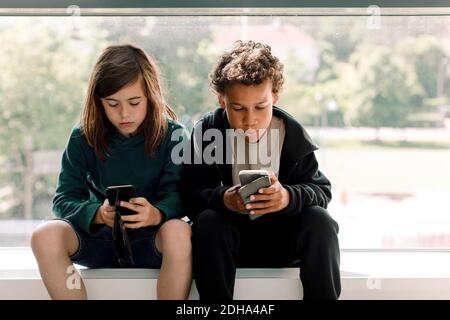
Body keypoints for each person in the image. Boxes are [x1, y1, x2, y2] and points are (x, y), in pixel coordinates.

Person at [180, 40, 341, 300]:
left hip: (282, 243)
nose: (250, 119)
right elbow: (189, 194)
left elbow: (321, 191)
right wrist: (224, 199)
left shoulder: (291, 133)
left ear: (274, 97)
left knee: (321, 221)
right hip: (228, 243)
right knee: (209, 222)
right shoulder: (208, 132)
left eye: (260, 107)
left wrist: (287, 197)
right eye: (238, 108)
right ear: (222, 101)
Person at [31, 44, 192, 300]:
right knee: (44, 236)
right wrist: (97, 214)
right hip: (101, 242)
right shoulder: (82, 137)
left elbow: (183, 196)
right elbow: (64, 199)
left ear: (151, 96)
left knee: (179, 232)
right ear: (99, 102)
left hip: (151, 241)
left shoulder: (175, 136)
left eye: (134, 102)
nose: (124, 113)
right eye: (112, 103)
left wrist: (156, 213)